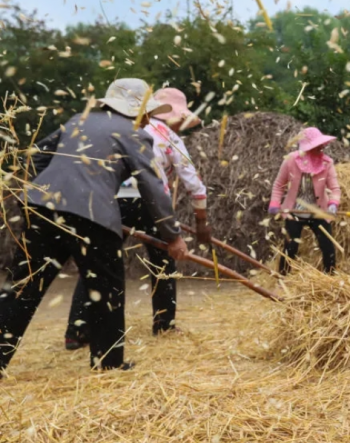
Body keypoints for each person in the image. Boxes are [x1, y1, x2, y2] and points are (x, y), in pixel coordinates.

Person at [0, 78, 188, 376]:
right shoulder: (135, 134)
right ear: (137, 111)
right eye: (146, 112)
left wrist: (40, 187)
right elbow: (152, 187)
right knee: (106, 288)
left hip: (40, 208)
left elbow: (36, 154)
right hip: (92, 216)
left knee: (23, 288)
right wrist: (173, 236)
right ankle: (108, 364)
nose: (148, 117)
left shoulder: (79, 120)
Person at [64, 88, 211, 349]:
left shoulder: (112, 129)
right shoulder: (170, 136)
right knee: (163, 261)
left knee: (97, 262)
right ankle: (163, 324)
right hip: (149, 202)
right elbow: (193, 182)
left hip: (108, 200)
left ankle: (77, 331)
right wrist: (201, 221)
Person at [268, 127, 341, 275]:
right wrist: (275, 204)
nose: (320, 148)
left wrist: (333, 204)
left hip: (318, 211)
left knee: (328, 247)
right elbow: (278, 185)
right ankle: (283, 278)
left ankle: (331, 278)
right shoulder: (291, 161)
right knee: (291, 247)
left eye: (321, 145)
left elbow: (335, 188)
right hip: (294, 211)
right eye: (315, 146)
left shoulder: (327, 163)